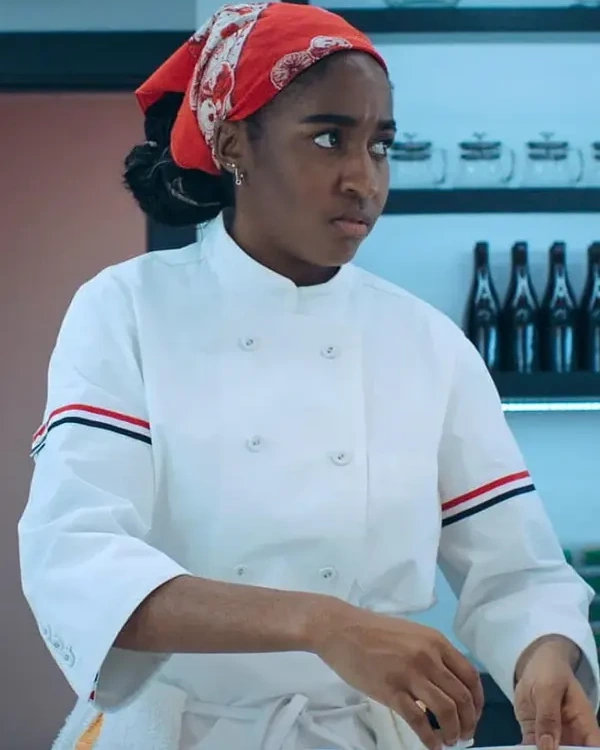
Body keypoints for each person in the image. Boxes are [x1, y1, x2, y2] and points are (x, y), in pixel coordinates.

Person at [18, 3, 600, 750]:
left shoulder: (427, 343)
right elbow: (78, 557)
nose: (364, 180)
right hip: (180, 733)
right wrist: (321, 624)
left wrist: (542, 654)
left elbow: (516, 572)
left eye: (380, 146)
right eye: (329, 138)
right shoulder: (127, 310)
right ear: (234, 143)